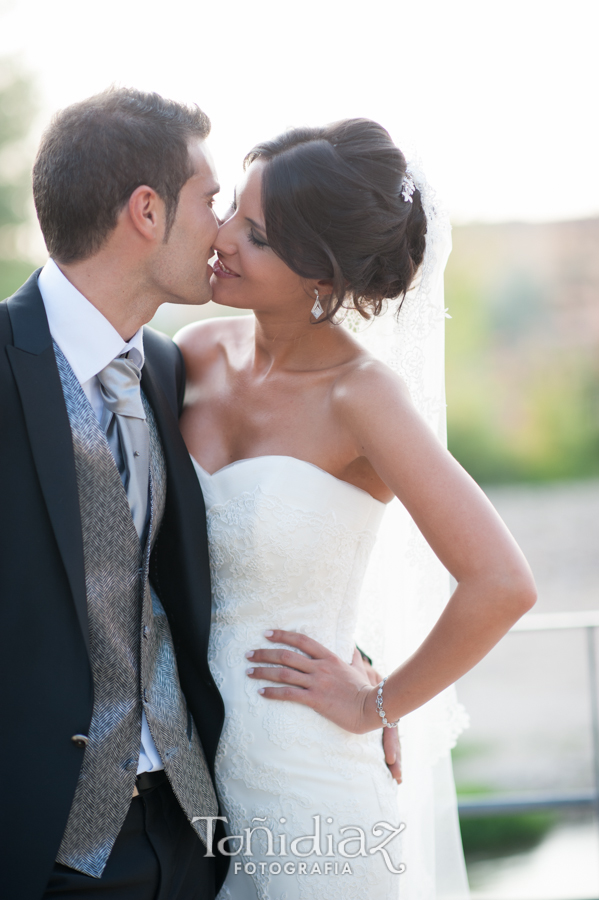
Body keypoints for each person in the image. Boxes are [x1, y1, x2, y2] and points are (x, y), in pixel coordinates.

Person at [175, 119, 537, 899]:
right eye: (234, 209)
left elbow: (501, 584)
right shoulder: (193, 354)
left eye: (258, 237)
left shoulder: (363, 398)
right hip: (180, 779)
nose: (225, 237)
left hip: (307, 783)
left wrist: (375, 701)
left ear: (321, 274)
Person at [0, 87, 228, 900]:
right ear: (146, 211)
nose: (224, 229)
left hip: (189, 831)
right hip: (42, 849)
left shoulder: (167, 370)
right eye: (211, 200)